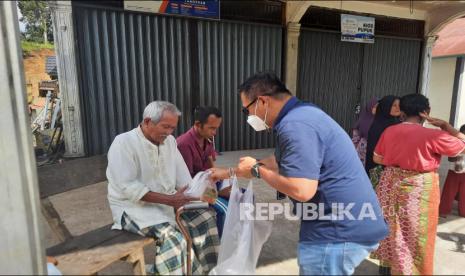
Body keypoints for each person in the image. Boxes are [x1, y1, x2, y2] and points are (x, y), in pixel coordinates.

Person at [210, 72, 389, 275]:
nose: (250, 117)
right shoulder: (302, 114)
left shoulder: (296, 125)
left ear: (262, 101)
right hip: (344, 222)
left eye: (247, 110)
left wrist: (255, 169)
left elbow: (302, 190)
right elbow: (278, 161)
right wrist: (229, 172)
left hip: (338, 230)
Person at [106, 101, 219, 275]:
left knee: (206, 218)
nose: (169, 132)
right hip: (132, 208)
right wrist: (171, 200)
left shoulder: (170, 142)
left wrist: (207, 193)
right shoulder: (123, 143)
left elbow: (184, 178)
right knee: (173, 238)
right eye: (165, 127)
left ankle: (204, 272)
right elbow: (128, 187)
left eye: (172, 128)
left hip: (168, 202)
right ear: (147, 121)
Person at [371, 94, 465, 275]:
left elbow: (377, 158)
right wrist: (446, 126)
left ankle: (389, 269)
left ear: (402, 113)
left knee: (391, 229)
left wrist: (398, 162)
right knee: (416, 235)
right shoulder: (434, 135)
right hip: (418, 188)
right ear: (426, 113)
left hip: (389, 184)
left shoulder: (389, 131)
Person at [177, 106, 230, 237]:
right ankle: (221, 246)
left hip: (207, 183)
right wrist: (213, 193)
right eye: (212, 128)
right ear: (198, 125)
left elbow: (211, 166)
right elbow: (186, 182)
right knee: (225, 209)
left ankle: (236, 237)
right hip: (192, 190)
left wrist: (222, 181)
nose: (215, 132)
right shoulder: (184, 144)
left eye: (217, 128)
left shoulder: (207, 139)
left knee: (242, 196)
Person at [365, 95, 401, 186]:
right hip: (378, 167)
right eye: (394, 105)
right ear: (386, 106)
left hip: (396, 167)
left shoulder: (399, 123)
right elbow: (373, 150)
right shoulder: (378, 126)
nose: (398, 108)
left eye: (399, 105)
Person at [439, 124, 465, 218]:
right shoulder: (456, 142)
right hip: (454, 170)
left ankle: (463, 212)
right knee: (449, 192)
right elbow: (450, 159)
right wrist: (458, 152)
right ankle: (443, 211)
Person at [352, 98, 377, 166]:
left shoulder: (379, 122)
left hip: (374, 152)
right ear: (369, 107)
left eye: (378, 107)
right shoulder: (361, 121)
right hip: (362, 152)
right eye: (374, 107)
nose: (376, 109)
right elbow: (355, 139)